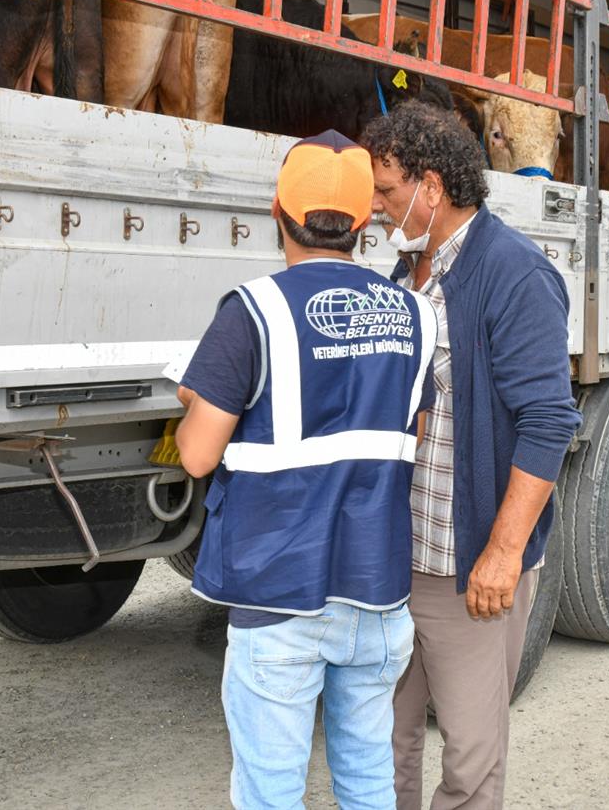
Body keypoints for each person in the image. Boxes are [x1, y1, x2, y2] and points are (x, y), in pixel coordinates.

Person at [174, 129, 438, 810]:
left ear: (278, 212)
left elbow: (199, 453)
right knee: (368, 782)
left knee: (270, 793)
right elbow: (406, 431)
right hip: (378, 594)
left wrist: (197, 403)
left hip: (278, 595)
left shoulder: (252, 312)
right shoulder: (415, 314)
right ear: (363, 222)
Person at [361, 101, 582, 809]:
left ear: (431, 187)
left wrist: (504, 550)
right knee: (383, 742)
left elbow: (549, 421)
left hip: (469, 569)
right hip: (399, 565)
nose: (374, 206)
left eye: (386, 191)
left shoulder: (514, 273)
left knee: (471, 757)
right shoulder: (406, 277)